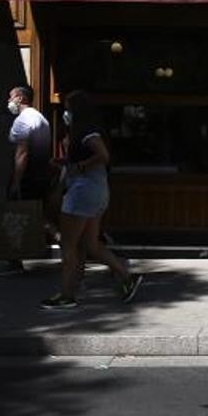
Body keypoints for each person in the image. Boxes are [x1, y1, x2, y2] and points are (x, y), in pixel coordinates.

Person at [40, 89, 142, 310]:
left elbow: (102, 156)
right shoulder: (88, 131)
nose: (65, 112)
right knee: (90, 244)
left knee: (68, 244)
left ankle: (67, 295)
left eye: (67, 107)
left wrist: (78, 166)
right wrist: (66, 162)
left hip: (82, 193)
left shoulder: (87, 131)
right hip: (96, 192)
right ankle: (126, 276)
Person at [0, 85, 55, 276]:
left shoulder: (22, 121)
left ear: (20, 98)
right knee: (39, 217)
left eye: (11, 97)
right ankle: (73, 248)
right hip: (41, 175)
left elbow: (22, 153)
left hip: (26, 177)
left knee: (14, 217)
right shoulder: (41, 118)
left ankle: (14, 262)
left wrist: (16, 181)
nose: (8, 101)